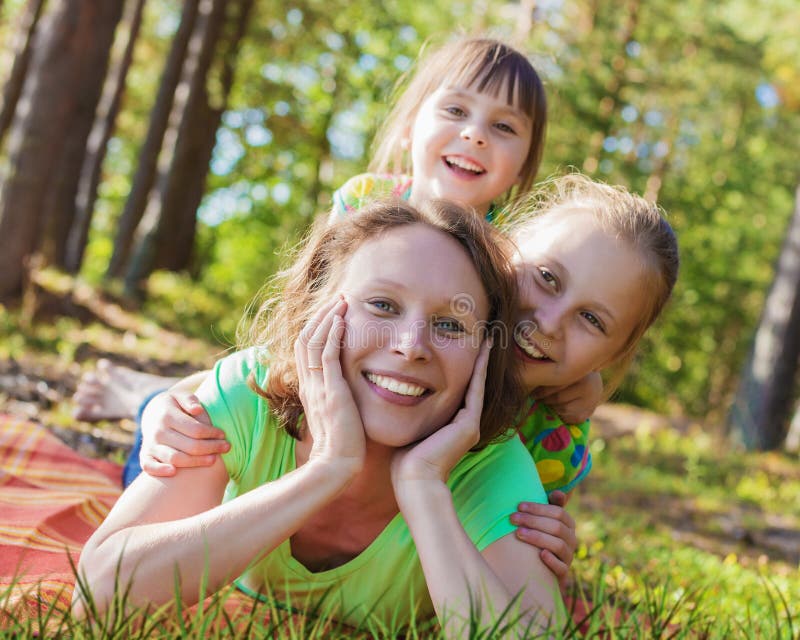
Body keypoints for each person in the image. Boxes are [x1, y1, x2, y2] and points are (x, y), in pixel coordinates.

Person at [74, 199, 564, 635]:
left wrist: (425, 489)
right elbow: (95, 598)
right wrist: (327, 469)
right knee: (168, 419)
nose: (411, 346)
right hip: (213, 421)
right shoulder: (250, 392)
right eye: (382, 305)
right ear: (313, 310)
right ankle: (145, 396)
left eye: (449, 324)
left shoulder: (491, 465)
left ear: (485, 352)